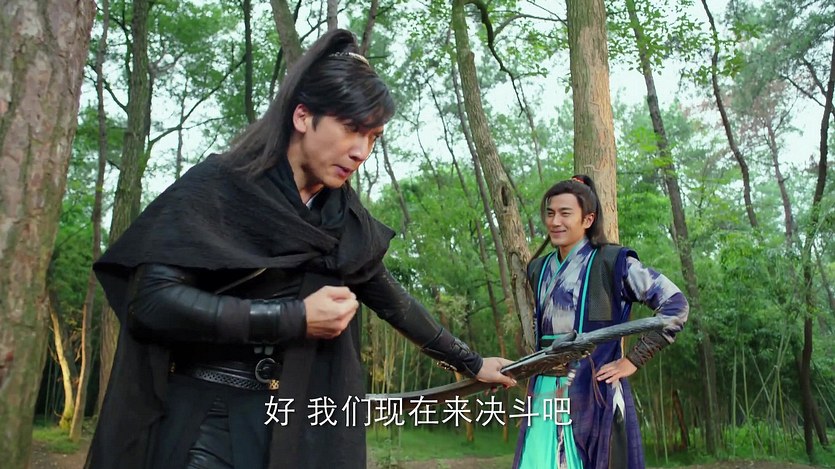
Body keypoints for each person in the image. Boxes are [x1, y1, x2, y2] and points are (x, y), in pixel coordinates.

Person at [85, 28, 514, 469]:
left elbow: (394, 302)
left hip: (294, 428)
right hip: (205, 424)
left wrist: (470, 361)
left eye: (374, 137)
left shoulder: (342, 218)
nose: (361, 151)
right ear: (304, 117)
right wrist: (295, 318)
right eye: (351, 129)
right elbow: (151, 301)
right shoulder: (219, 186)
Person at [512, 175, 689, 469]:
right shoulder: (539, 269)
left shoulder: (612, 263)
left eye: (565, 213)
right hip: (544, 390)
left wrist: (632, 360)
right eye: (550, 213)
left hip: (593, 390)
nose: (555, 221)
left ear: (588, 219)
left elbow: (675, 305)